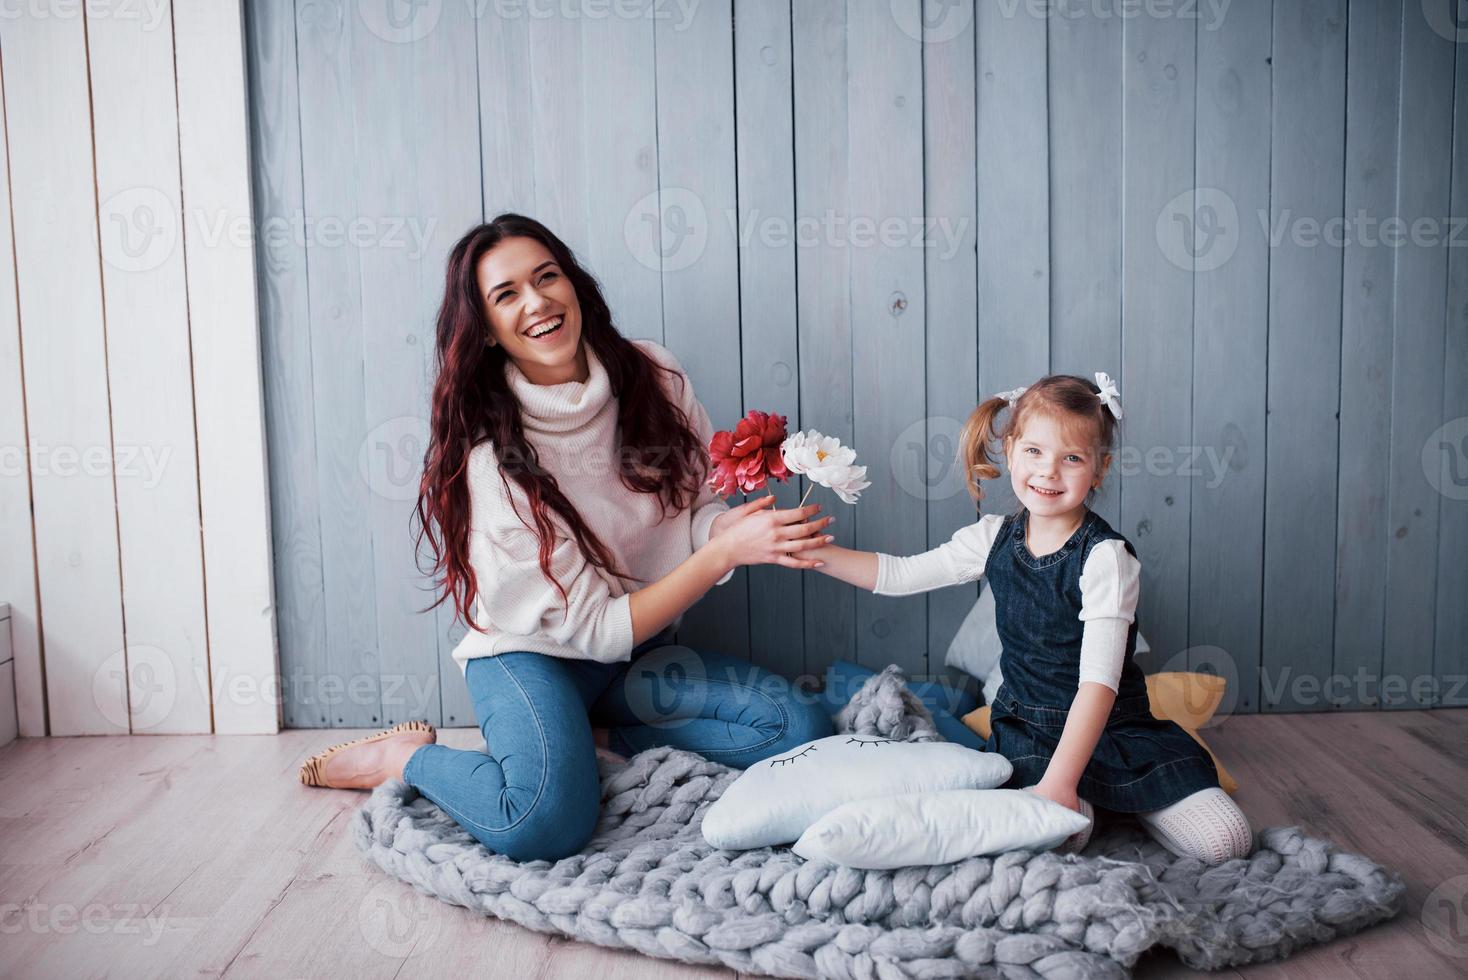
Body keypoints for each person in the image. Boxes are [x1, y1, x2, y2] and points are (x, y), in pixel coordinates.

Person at [298, 213, 836, 862]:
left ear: (574, 285)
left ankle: (595, 738)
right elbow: (596, 628)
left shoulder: (654, 376)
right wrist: (723, 554)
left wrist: (733, 528)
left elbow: (693, 509)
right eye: (507, 295)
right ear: (489, 332)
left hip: (634, 654)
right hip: (532, 657)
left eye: (546, 277)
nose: (537, 301)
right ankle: (409, 757)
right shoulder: (494, 456)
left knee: (799, 727)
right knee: (541, 823)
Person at [803, 373, 1254, 866]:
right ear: (1011, 449)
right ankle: (1092, 803)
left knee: (1227, 841)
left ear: (1099, 470)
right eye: (1035, 451)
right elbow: (900, 574)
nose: (1049, 472)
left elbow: (1098, 685)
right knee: (1061, 840)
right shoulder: (993, 536)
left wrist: (1062, 783)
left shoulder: (1106, 557)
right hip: (1032, 730)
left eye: (1072, 458)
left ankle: (1129, 798)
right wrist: (811, 553)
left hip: (1113, 730)